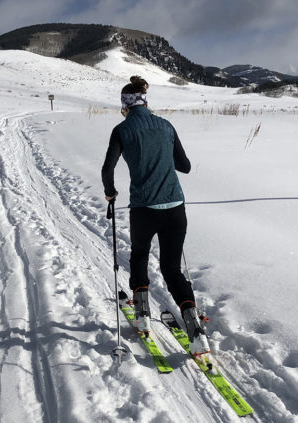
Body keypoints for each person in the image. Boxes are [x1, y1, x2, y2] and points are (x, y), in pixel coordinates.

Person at [101, 75, 210, 356]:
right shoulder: (165, 125)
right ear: (145, 102)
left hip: (144, 209)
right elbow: (184, 166)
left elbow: (107, 170)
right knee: (172, 269)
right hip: (175, 207)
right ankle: (195, 328)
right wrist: (163, 153)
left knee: (139, 256)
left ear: (125, 106)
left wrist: (110, 193)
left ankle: (142, 313)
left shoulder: (122, 130)